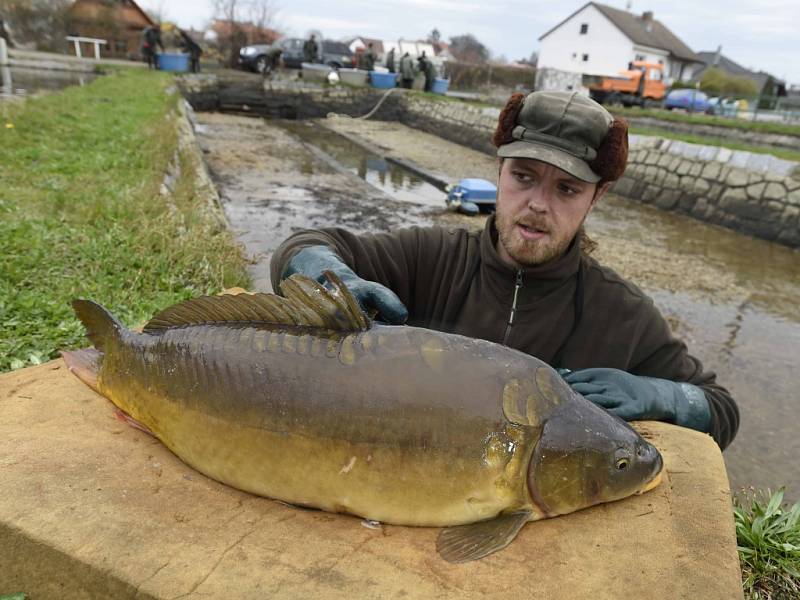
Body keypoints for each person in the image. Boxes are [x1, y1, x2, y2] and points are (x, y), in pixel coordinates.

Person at [269, 90, 739, 451]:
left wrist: (663, 396)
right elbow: (302, 246)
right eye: (524, 176)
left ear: (598, 197)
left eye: (568, 189)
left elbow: (721, 411)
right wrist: (332, 276)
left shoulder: (623, 314)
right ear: (499, 170)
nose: (537, 204)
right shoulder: (430, 257)